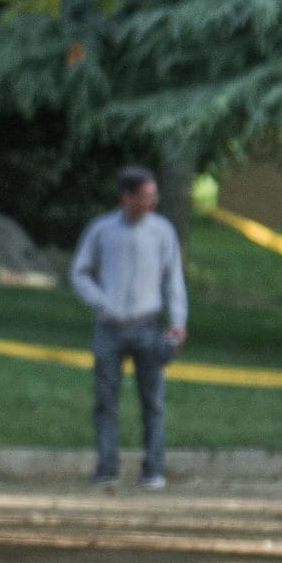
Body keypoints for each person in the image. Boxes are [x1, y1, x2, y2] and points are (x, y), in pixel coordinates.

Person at [69, 165, 188, 489]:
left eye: (154, 196)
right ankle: (107, 465)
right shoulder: (102, 230)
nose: (153, 202)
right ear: (127, 197)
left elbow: (173, 279)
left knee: (153, 401)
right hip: (109, 328)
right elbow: (79, 272)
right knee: (106, 400)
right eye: (146, 196)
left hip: (148, 325)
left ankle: (154, 468)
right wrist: (102, 301)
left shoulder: (162, 231)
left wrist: (178, 323)